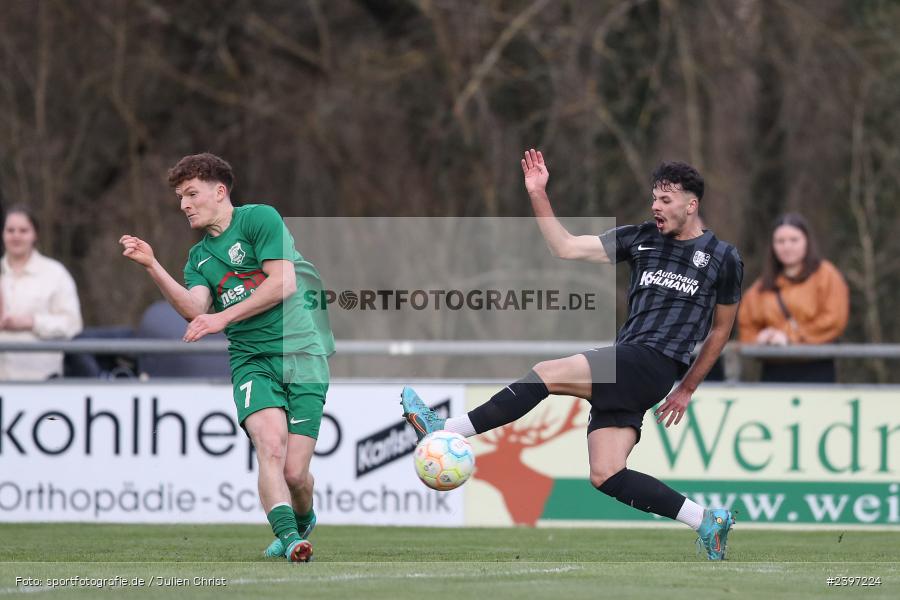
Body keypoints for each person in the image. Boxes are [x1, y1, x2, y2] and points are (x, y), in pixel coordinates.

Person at [401, 150, 743, 560]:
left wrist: (686, 389)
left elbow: (721, 330)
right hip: (628, 362)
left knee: (547, 373)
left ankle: (446, 429)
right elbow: (564, 247)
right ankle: (705, 519)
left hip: (651, 364)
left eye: (666, 199)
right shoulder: (640, 239)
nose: (655, 205)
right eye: (654, 197)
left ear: (692, 204)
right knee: (606, 474)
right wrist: (538, 193)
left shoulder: (723, 258)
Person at [120, 153, 334, 562]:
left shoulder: (259, 220)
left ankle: (302, 520)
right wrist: (152, 265)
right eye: (180, 196)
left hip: (302, 353)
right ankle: (291, 540)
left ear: (220, 192)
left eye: (191, 193)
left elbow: (284, 282)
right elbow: (194, 308)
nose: (184, 204)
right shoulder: (198, 258)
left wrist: (221, 318)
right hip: (251, 359)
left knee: (295, 474)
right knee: (269, 446)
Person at [737, 213, 849, 382]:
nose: (787, 246)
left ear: (807, 242)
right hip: (775, 371)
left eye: (794, 240)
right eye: (780, 241)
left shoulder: (826, 275)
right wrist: (760, 339)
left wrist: (789, 337)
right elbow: (747, 327)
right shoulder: (761, 287)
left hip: (816, 368)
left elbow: (833, 321)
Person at [0, 205, 83, 380]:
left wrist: (33, 322)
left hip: (41, 383)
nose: (16, 236)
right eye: (10, 230)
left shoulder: (55, 274)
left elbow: (72, 324)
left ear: (34, 234)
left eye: (23, 230)